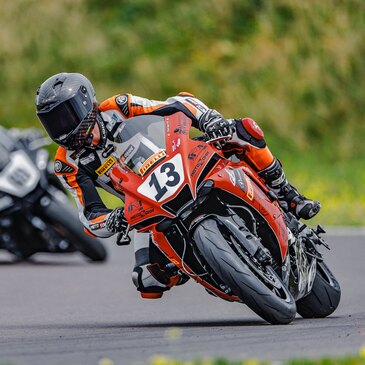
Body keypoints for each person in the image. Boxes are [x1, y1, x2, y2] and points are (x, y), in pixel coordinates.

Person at [35, 72, 320, 298]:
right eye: (52, 123)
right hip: (146, 205)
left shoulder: (119, 107)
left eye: (65, 116)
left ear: (85, 103)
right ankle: (202, 264)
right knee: (147, 280)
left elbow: (176, 103)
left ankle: (287, 193)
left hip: (181, 159)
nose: (62, 129)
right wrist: (114, 219)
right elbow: (88, 215)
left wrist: (208, 118)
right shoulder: (67, 163)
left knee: (243, 129)